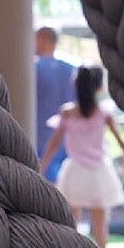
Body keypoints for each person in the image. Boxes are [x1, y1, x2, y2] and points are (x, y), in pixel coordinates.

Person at [40, 65, 124, 248]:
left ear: (76, 85)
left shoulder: (68, 113)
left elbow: (53, 145)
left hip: (74, 172)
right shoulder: (103, 114)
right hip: (99, 172)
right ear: (100, 87)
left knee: (71, 224)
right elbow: (122, 143)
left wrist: (41, 167)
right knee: (100, 226)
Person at [35, 25, 76, 182]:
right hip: (70, 142)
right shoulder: (71, 69)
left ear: (42, 39)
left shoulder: (33, 69)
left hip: (41, 140)